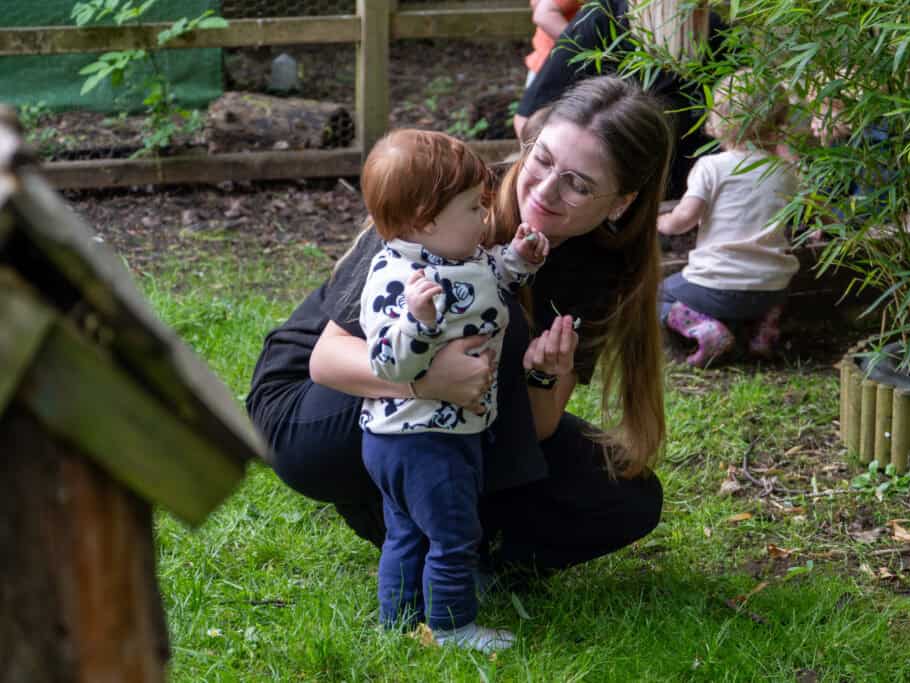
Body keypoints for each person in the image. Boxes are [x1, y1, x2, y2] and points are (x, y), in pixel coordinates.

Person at [246, 76, 669, 617]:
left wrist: (544, 373)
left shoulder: (604, 273)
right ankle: (403, 516)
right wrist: (427, 381)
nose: (544, 191)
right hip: (311, 411)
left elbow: (535, 426)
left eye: (578, 185)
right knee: (500, 323)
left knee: (628, 496)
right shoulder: (445, 193)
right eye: (542, 160)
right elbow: (327, 361)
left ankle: (447, 539)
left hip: (458, 411)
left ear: (621, 203)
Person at [356, 129, 548, 652]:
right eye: (472, 208)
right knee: (454, 535)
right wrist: (417, 322)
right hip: (419, 441)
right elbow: (387, 362)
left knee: (408, 533)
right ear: (425, 220)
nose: (485, 217)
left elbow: (489, 278)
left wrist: (520, 257)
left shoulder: (458, 256)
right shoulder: (398, 279)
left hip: (434, 435)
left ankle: (398, 623)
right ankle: (451, 626)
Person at [657, 69, 798, 368]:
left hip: (717, 287)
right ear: (778, 124)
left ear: (719, 118)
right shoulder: (786, 172)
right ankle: (763, 331)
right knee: (765, 287)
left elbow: (685, 219)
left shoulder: (712, 167)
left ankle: (706, 329)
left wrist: (662, 221)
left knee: (657, 294)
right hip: (773, 288)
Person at [514, 0, 726, 200]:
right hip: (595, 199)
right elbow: (530, 117)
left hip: (682, 201)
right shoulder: (605, 18)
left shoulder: (717, 35)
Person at [524, 0, 582, 89]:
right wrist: (581, 46)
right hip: (556, 69)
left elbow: (536, 4)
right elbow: (543, 15)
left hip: (545, 64)